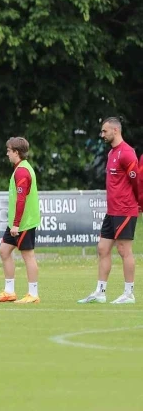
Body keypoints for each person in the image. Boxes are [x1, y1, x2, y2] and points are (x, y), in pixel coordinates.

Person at [78, 117, 139, 304]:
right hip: (112, 211)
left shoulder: (127, 153)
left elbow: (137, 182)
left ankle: (129, 293)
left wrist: (139, 203)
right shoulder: (112, 152)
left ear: (115, 130)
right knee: (103, 248)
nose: (102, 134)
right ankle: (100, 292)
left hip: (125, 210)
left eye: (105, 131)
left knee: (124, 250)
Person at [0, 137, 41, 304]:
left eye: (9, 151)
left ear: (16, 152)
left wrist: (17, 224)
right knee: (4, 251)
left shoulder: (22, 171)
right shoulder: (19, 168)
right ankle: (9, 291)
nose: (7, 154)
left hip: (23, 223)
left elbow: (21, 199)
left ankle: (33, 294)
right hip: (15, 222)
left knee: (28, 256)